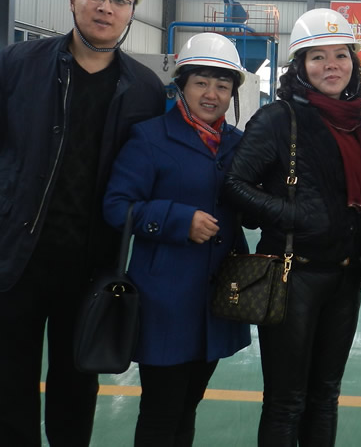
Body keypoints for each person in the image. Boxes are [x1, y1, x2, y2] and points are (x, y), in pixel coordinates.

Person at [0, 0, 166, 446]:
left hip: (91, 264)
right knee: (6, 385)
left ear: (131, 12)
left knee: (77, 385)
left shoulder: (143, 89)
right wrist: (13, 191)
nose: (105, 7)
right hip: (14, 255)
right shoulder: (19, 64)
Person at [223, 8, 361, 447]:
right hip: (292, 275)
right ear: (300, 66)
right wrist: (291, 214)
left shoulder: (354, 124)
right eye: (317, 57)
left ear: (353, 63)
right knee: (287, 400)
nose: (331, 65)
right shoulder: (278, 120)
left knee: (325, 396)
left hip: (344, 277)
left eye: (340, 55)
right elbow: (235, 185)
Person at [103, 33, 251, 446]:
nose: (212, 94)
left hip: (215, 301)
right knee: (160, 413)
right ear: (181, 86)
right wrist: (177, 220)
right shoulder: (150, 138)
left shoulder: (238, 146)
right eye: (201, 82)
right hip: (164, 302)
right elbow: (117, 206)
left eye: (222, 85)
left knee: (188, 408)